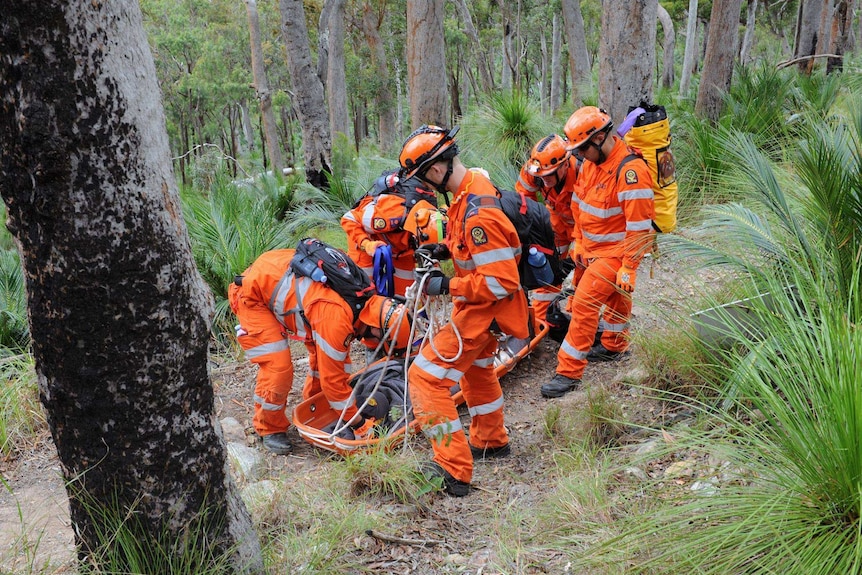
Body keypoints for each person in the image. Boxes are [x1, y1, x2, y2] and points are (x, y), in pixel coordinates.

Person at [400, 124, 529, 497]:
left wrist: (448, 284)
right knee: (476, 371)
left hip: (484, 312)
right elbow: (480, 256)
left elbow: (500, 281)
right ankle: (491, 439)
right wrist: (447, 253)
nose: (424, 185)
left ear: (436, 169)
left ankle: (453, 469)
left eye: (424, 176)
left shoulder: (477, 216)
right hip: (488, 311)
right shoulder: (470, 191)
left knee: (424, 378)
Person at [228, 248, 411, 454]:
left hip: (276, 274)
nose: (375, 343)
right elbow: (333, 382)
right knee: (278, 367)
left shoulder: (363, 296)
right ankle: (268, 428)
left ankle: (316, 406)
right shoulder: (336, 317)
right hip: (252, 294)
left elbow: (333, 371)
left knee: (336, 362)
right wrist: (359, 423)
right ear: (376, 328)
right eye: (381, 340)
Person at [541, 107, 655, 399]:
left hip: (617, 252)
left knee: (583, 304)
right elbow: (578, 205)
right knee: (617, 296)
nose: (579, 155)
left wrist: (629, 265)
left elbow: (640, 228)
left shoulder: (631, 172)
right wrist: (578, 240)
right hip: (591, 249)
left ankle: (568, 372)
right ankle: (614, 344)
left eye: (582, 148)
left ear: (601, 137)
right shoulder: (591, 164)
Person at [515, 134, 582, 323]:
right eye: (540, 176)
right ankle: (542, 321)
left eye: (548, 175)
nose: (543, 180)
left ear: (564, 165)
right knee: (545, 268)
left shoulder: (582, 173)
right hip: (556, 222)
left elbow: (590, 222)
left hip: (584, 227)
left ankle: (577, 320)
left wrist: (571, 260)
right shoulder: (533, 171)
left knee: (583, 269)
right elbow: (523, 205)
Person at [341, 170, 438, 297]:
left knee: (406, 292)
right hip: (366, 242)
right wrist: (366, 244)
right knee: (365, 291)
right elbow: (349, 218)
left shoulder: (436, 220)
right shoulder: (389, 217)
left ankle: (401, 314)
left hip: (401, 249)